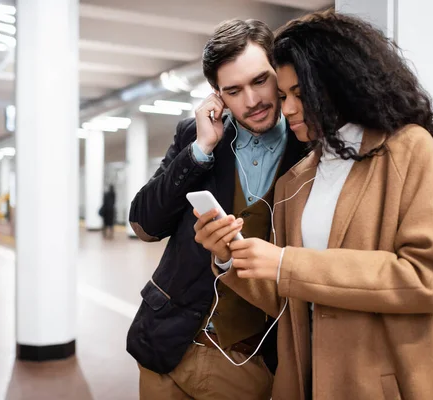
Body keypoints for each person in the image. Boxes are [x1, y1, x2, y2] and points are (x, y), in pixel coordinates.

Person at [194, 10, 433, 400]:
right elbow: (290, 295)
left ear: (340, 83)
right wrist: (229, 258)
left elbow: (427, 280)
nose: (287, 108)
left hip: (380, 384)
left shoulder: (409, 151)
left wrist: (288, 262)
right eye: (284, 96)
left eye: (301, 94)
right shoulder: (297, 180)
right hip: (308, 380)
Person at [127, 19, 307, 400]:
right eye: (234, 91)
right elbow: (144, 223)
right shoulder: (195, 136)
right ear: (217, 95)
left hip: (250, 361)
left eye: (261, 81)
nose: (252, 100)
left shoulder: (309, 142)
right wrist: (199, 152)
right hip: (168, 346)